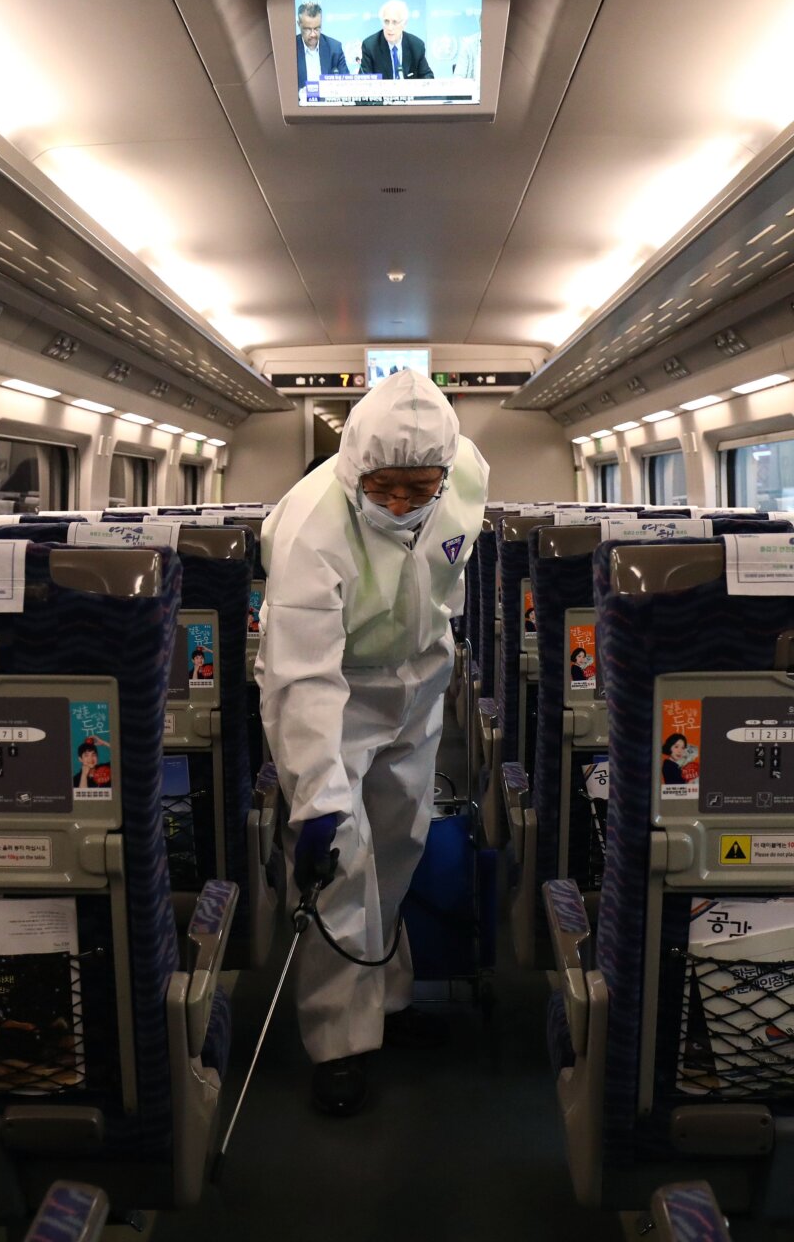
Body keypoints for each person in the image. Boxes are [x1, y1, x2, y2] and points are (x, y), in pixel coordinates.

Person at [258, 368, 488, 1116]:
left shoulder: (466, 478)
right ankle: (338, 1042)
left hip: (418, 686)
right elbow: (300, 677)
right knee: (341, 862)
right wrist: (317, 796)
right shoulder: (309, 527)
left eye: (418, 488)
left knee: (398, 846)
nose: (399, 502)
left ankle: (386, 1002)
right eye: (384, 486)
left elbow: (447, 569)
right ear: (355, 464)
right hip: (339, 693)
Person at [358, 0, 433, 82]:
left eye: (395, 22)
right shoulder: (370, 46)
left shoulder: (416, 46)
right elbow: (363, 81)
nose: (390, 27)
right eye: (386, 22)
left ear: (404, 24)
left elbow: (428, 77)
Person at [293, 2, 348, 93]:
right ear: (299, 25)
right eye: (307, 29)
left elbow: (346, 84)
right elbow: (285, 86)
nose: (313, 34)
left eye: (317, 28)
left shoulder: (335, 48)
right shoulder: (290, 49)